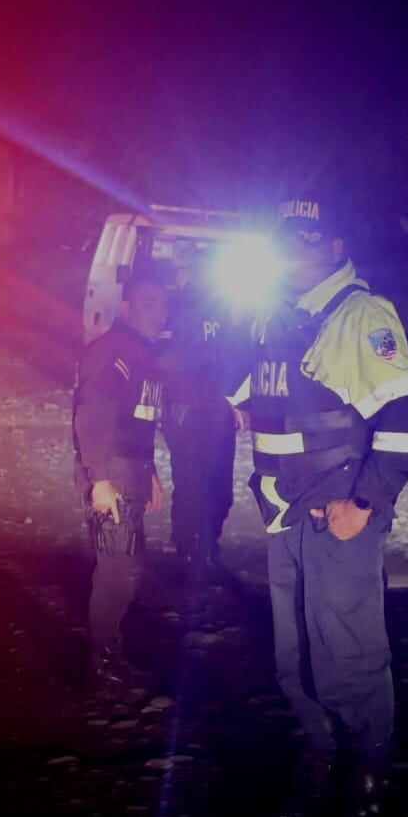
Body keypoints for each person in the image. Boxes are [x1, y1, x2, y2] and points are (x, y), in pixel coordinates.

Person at [240, 193, 408, 817]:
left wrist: (363, 504)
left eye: (307, 241)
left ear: (335, 249)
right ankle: (321, 766)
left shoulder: (362, 316)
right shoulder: (276, 318)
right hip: (285, 517)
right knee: (294, 658)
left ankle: (369, 779)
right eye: (284, 240)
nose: (293, 252)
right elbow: (242, 396)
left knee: (348, 654)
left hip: (337, 516)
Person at [72, 270, 168, 693]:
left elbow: (138, 424)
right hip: (110, 477)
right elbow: (91, 416)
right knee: (116, 572)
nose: (158, 313)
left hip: (132, 475)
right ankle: (101, 666)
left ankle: (112, 655)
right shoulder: (113, 353)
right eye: (148, 303)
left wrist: (151, 475)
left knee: (128, 569)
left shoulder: (144, 355)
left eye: (162, 304)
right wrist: (99, 480)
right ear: (126, 306)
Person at [157, 241, 249, 581]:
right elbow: (165, 359)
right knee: (191, 483)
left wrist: (230, 401)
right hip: (185, 409)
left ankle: (209, 542)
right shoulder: (178, 306)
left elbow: (234, 360)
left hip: (217, 411)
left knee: (221, 486)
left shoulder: (226, 311)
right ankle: (187, 547)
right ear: (194, 274)